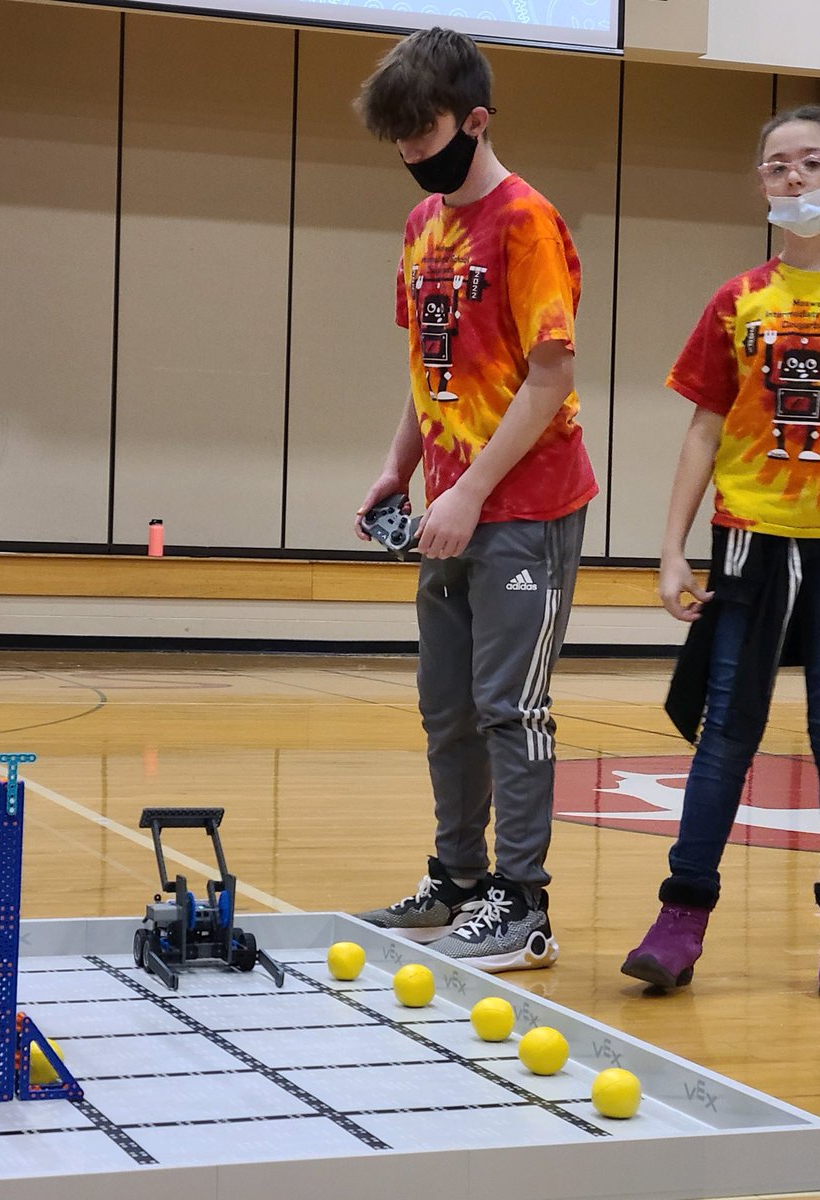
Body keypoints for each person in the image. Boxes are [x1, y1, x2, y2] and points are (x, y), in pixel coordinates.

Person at [352, 28, 597, 972]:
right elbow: (432, 373)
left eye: (425, 132)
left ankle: (522, 903)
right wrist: (397, 470)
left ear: (475, 120)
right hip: (451, 504)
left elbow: (549, 377)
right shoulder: (422, 231)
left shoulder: (527, 223)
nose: (413, 153)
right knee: (445, 707)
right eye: (401, 140)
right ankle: (457, 880)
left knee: (510, 705)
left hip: (525, 507)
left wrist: (474, 492)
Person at [621, 105, 820, 999]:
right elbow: (702, 428)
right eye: (777, 168)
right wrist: (671, 551)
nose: (794, 180)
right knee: (725, 732)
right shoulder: (738, 301)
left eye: (812, 164)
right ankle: (680, 917)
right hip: (748, 542)